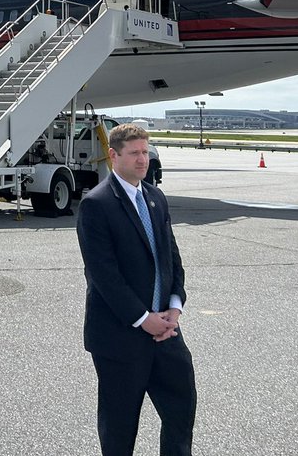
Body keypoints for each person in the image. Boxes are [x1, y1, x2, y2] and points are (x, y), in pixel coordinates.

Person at [77, 123, 195, 455]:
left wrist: (174, 305)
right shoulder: (97, 204)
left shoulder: (155, 197)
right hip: (120, 337)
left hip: (167, 333)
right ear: (114, 155)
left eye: (145, 152)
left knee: (181, 414)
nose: (143, 160)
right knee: (119, 429)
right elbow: (103, 275)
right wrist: (144, 319)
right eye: (135, 153)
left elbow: (170, 257)